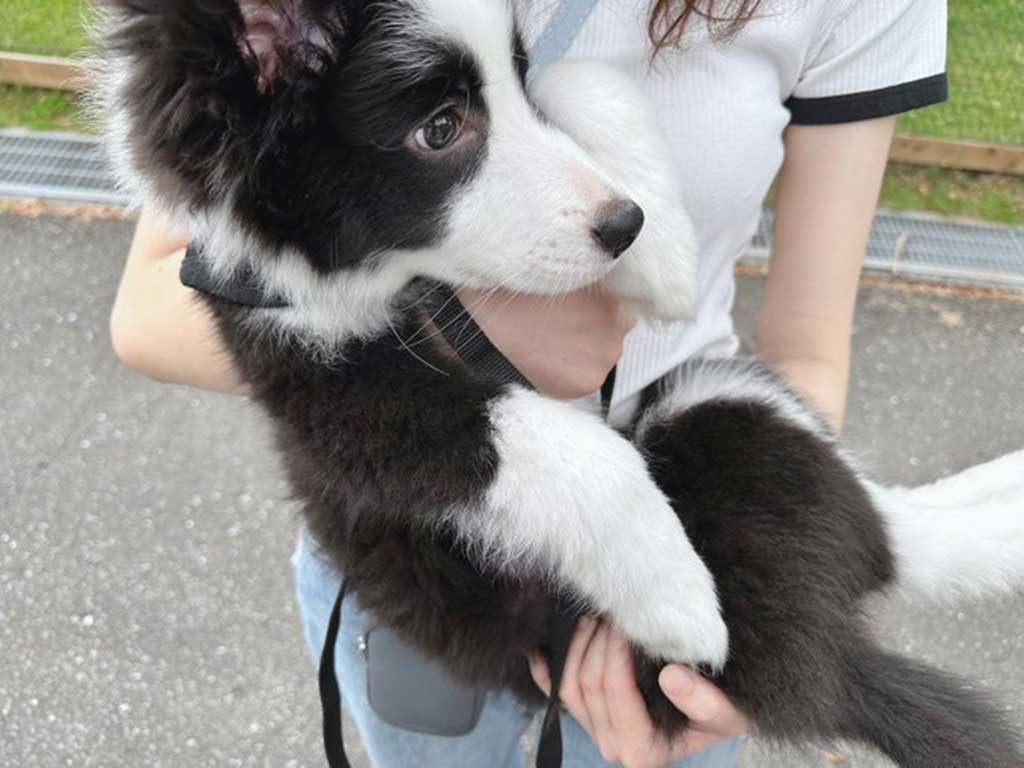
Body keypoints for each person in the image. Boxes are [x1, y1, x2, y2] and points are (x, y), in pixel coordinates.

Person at [110, 0, 948, 765]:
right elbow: (152, 306)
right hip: (409, 560)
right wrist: (465, 336)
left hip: (685, 551)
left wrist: (772, 604)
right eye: (447, 125)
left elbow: (805, 350)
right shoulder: (287, 42)